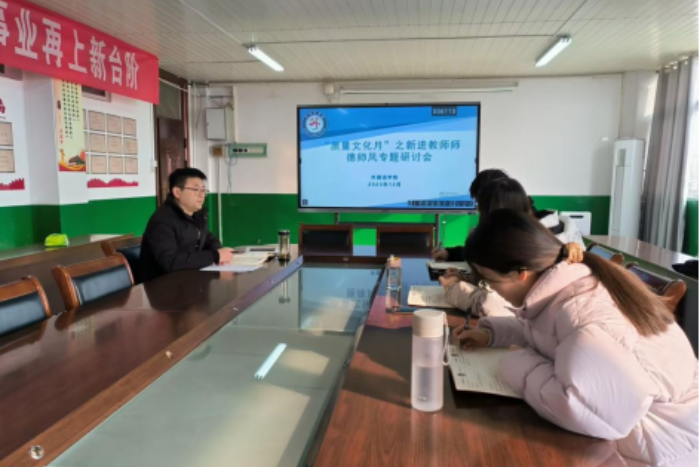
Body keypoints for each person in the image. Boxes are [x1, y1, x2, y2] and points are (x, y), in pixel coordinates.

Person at [455, 209, 698, 467]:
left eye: (490, 281)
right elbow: (549, 333)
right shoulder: (570, 285)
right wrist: (490, 334)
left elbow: (588, 411)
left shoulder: (581, 315)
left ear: (520, 273)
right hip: (645, 436)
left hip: (658, 451)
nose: (492, 289)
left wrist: (514, 362)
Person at [140, 168, 234, 282]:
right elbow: (170, 261)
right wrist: (215, 256)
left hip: (189, 279)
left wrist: (218, 252)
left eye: (203, 190)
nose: (202, 195)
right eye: (196, 189)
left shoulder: (197, 215)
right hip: (162, 285)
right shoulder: (162, 221)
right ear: (177, 192)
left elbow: (209, 239)